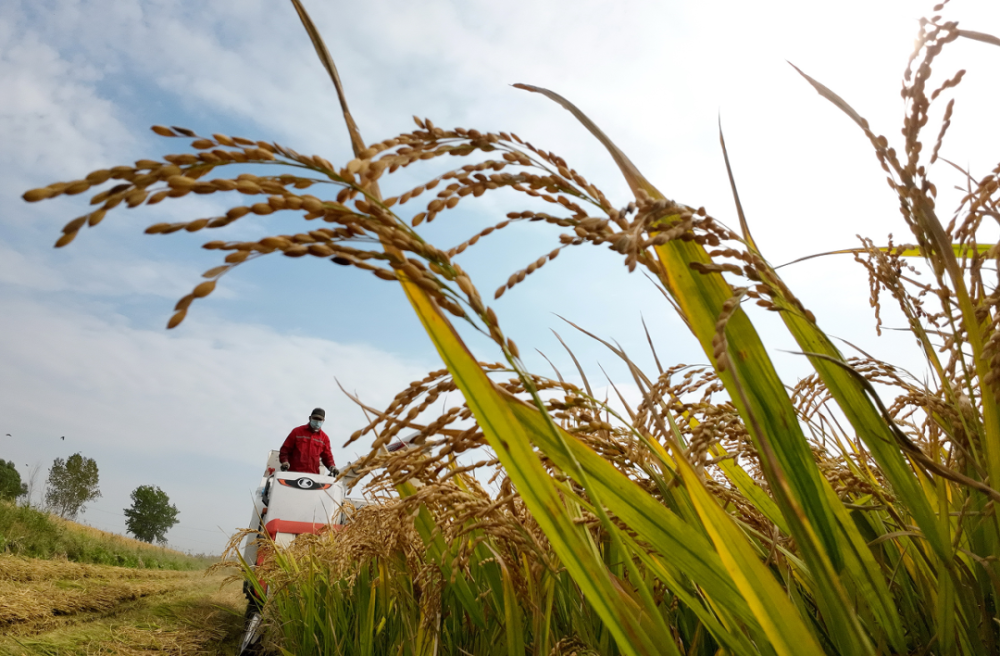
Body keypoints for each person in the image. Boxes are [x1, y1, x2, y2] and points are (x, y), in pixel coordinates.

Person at [279, 408, 338, 476]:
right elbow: (285, 450)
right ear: (310, 418)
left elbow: (327, 456)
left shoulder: (324, 438)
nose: (317, 421)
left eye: (320, 420)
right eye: (315, 418)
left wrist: (331, 466)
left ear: (323, 420)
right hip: (294, 474)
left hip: (313, 476)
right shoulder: (297, 432)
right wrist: (285, 462)